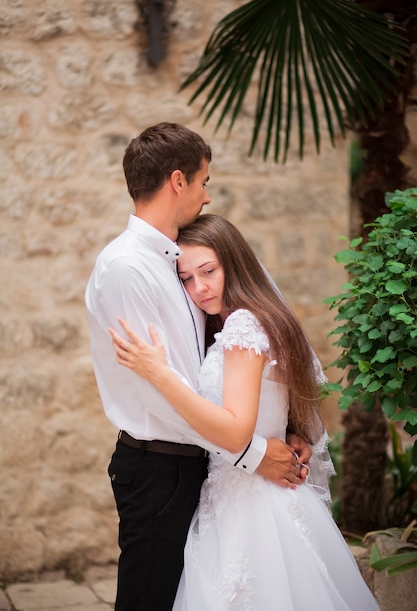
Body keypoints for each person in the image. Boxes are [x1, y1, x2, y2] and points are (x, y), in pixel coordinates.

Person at [85, 123, 313, 611]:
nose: (207, 196)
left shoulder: (177, 260)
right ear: (177, 181)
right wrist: (252, 453)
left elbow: (237, 363)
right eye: (204, 180)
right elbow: (160, 393)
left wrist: (286, 427)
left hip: (204, 467)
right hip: (159, 465)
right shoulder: (128, 267)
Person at [110, 213, 381, 611]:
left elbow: (237, 432)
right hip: (249, 494)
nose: (199, 288)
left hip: (250, 507)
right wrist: (291, 434)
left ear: (233, 263)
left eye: (208, 271)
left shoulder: (242, 326)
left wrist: (159, 373)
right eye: (186, 278)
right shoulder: (256, 319)